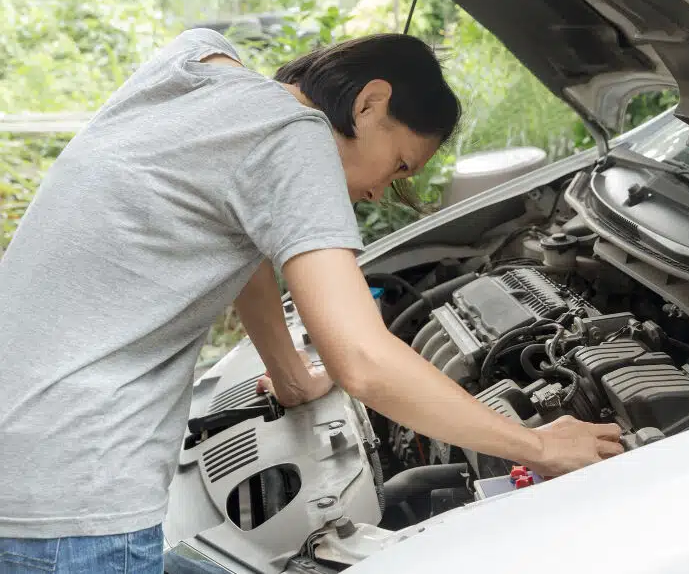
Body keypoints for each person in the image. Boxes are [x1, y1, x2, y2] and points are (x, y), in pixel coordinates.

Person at [0, 28, 623, 572]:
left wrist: (290, 376)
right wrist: (539, 445)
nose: (383, 192)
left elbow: (242, 250)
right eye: (400, 164)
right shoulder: (294, 137)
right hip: (74, 501)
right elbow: (364, 361)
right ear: (369, 102)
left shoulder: (196, 64)